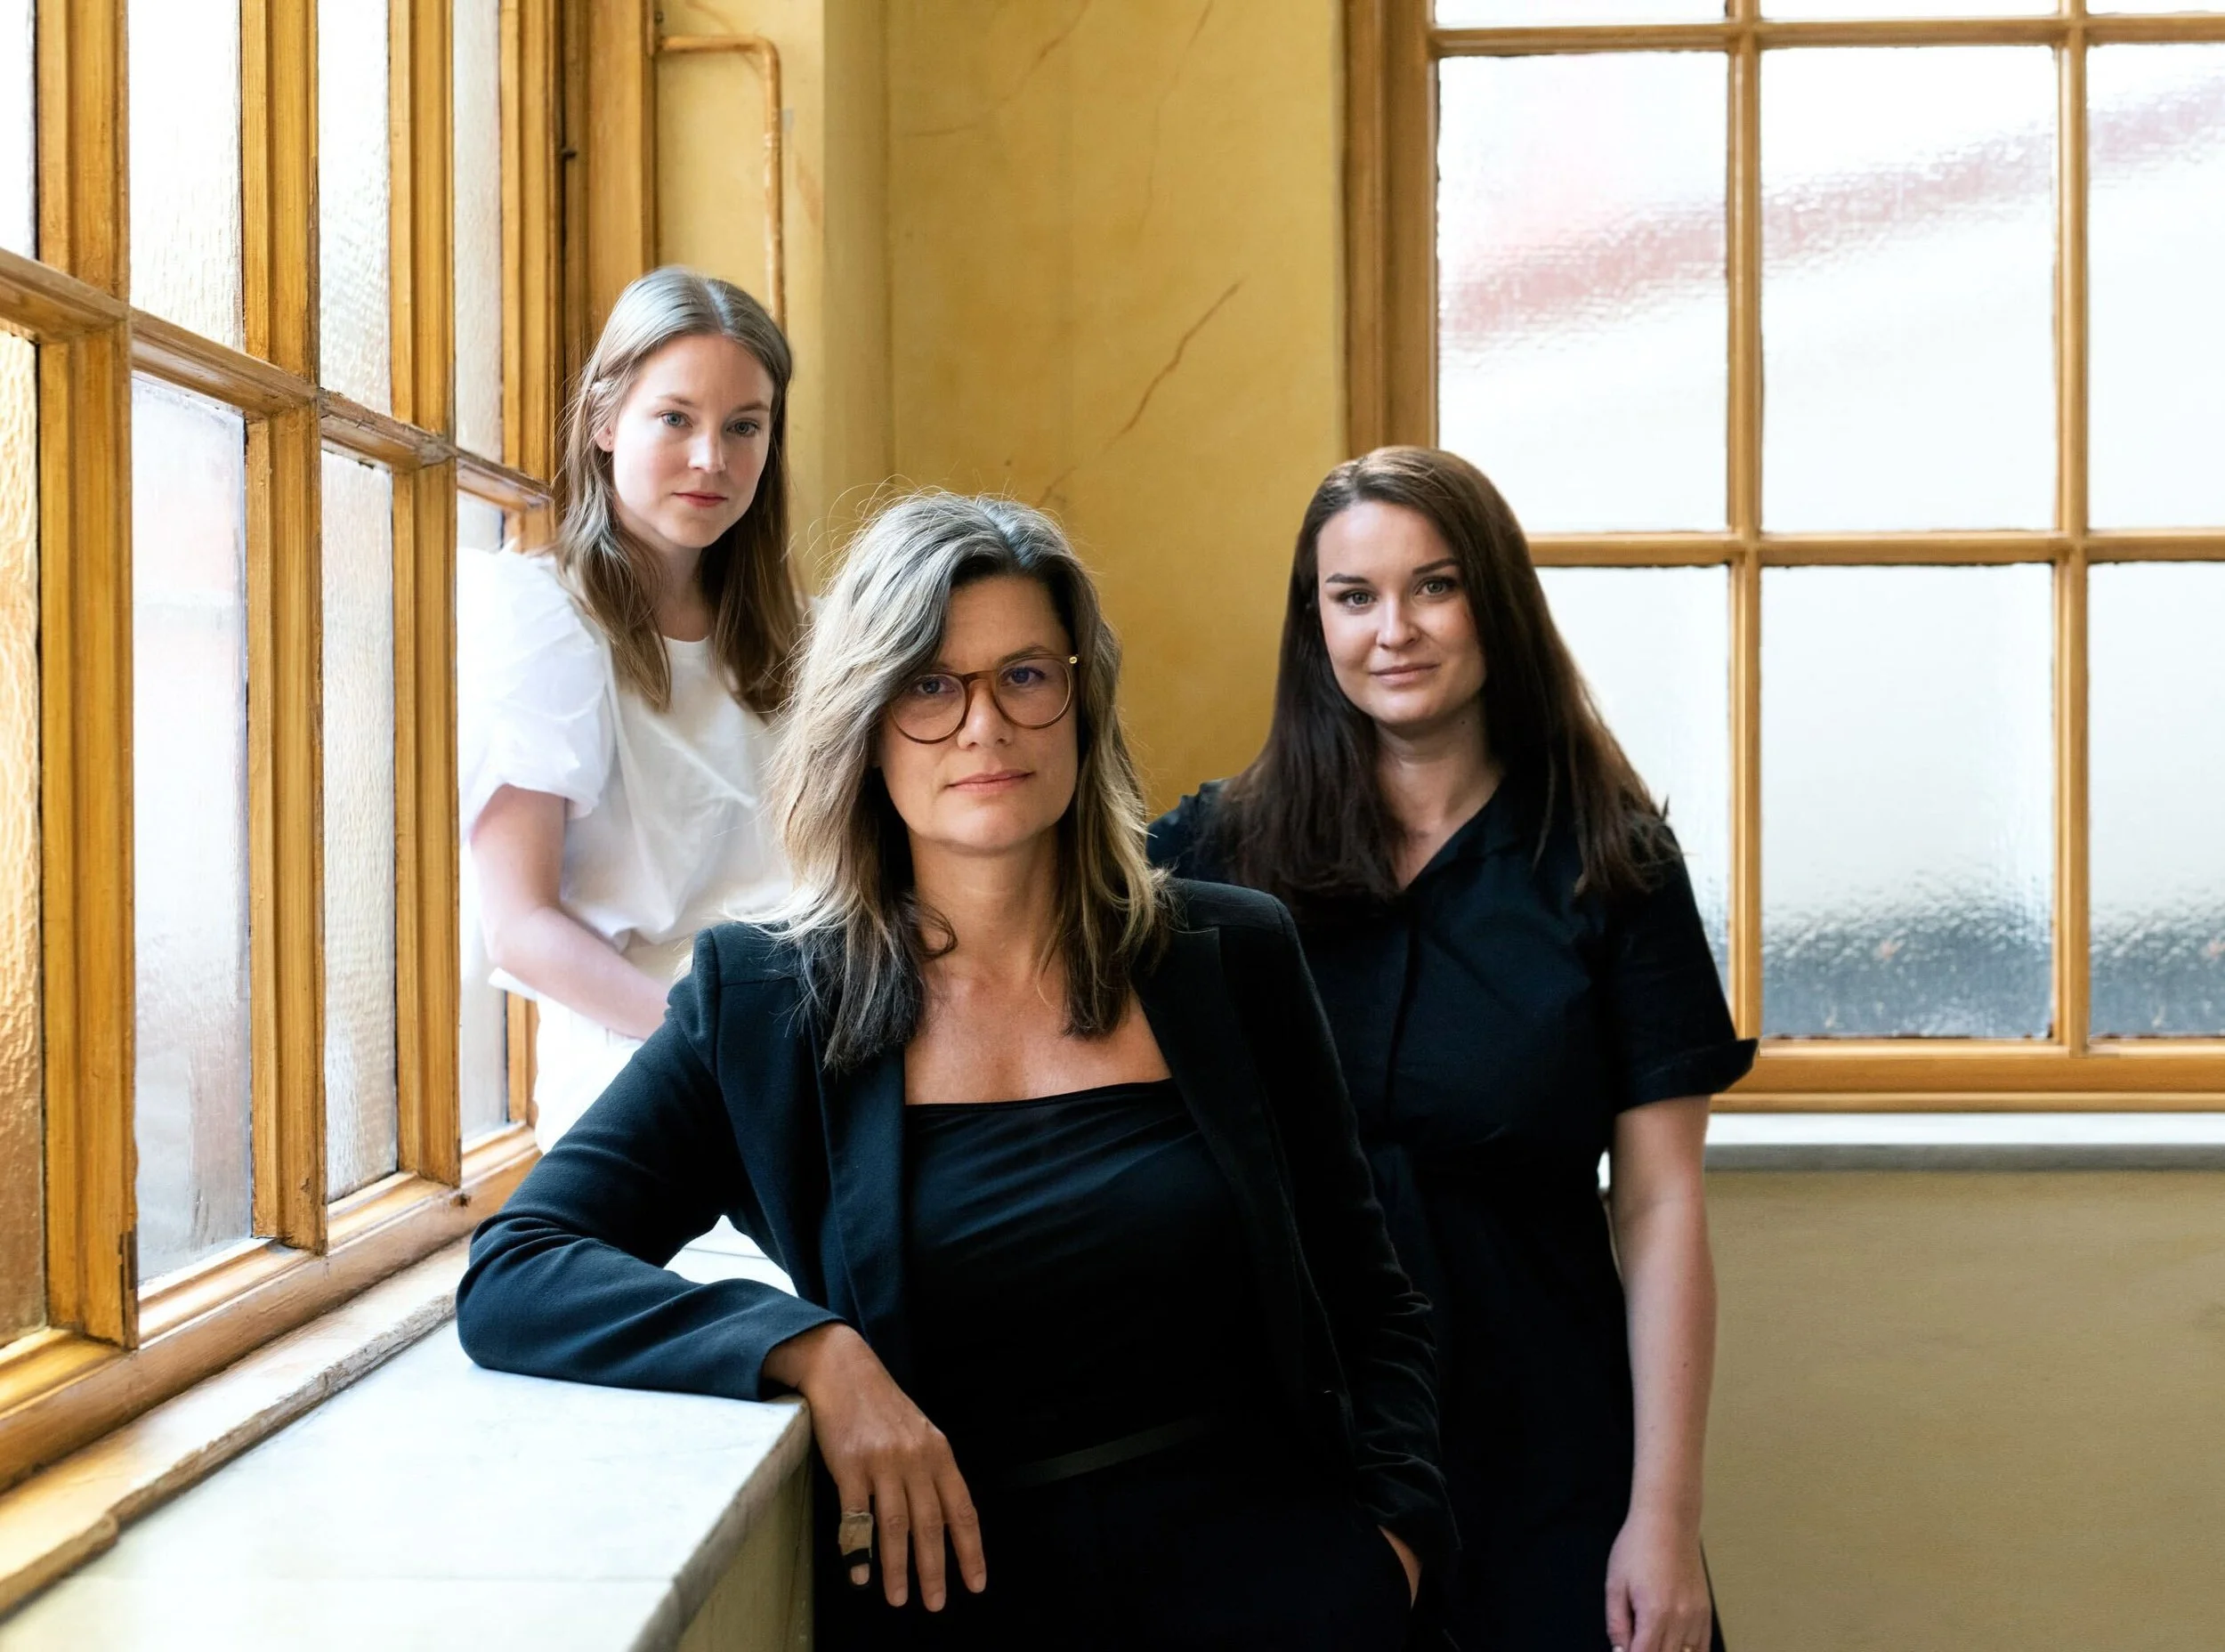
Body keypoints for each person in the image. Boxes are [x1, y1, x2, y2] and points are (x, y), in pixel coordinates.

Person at [456, 493, 1451, 1650]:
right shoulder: (766, 1003)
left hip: (1290, 1600)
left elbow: (1373, 1298)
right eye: (931, 686)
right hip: (964, 1611)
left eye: (1027, 675)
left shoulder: (1228, 959)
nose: (986, 726)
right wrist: (807, 1350)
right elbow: (519, 1269)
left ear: (1080, 704)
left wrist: (1396, 1545)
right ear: (864, 726)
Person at [1151, 446, 1754, 1652]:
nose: (1394, 631)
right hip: (1285, 1436)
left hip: (1546, 1430)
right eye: (1354, 596)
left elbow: (1661, 1202)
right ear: (1312, 620)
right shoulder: (1216, 851)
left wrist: (1664, 1517)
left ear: (1498, 602)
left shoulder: (1612, 862)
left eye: (1434, 586)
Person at [458, 266, 805, 1149]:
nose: (710, 459)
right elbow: (521, 926)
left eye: (743, 427)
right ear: (606, 422)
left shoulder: (784, 631)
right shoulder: (547, 620)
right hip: (642, 1076)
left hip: (801, 1050)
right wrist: (720, 1049)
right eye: (676, 418)